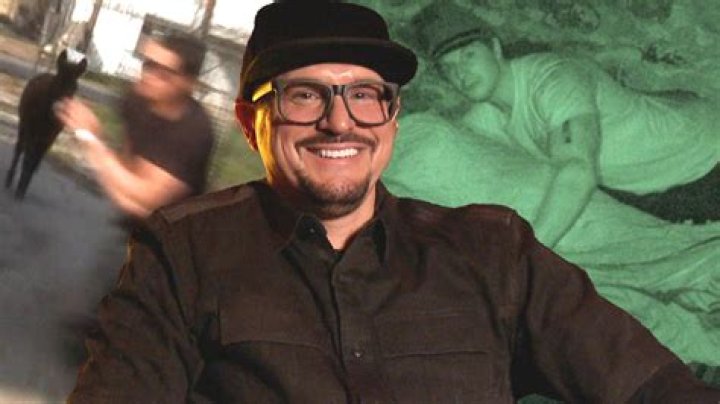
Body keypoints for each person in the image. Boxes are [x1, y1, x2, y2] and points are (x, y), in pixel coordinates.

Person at [67, 2, 720, 403]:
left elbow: (642, 380)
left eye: (365, 95)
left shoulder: (494, 248)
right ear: (248, 120)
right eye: (304, 95)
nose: (340, 122)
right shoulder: (182, 254)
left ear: (393, 118)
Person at [401, 2, 719, 247]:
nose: (460, 73)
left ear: (495, 49)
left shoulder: (553, 79)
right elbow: (448, 158)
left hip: (704, 159)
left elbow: (578, 171)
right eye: (449, 67)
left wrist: (529, 254)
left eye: (468, 55)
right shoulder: (485, 117)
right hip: (644, 191)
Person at [55, 31, 215, 221]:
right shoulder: (136, 99)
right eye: (148, 65)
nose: (149, 76)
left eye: (164, 74)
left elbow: (146, 201)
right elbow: (126, 177)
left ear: (188, 84)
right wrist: (102, 150)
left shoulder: (194, 132)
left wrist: (90, 139)